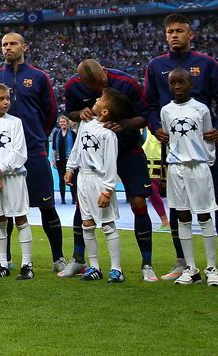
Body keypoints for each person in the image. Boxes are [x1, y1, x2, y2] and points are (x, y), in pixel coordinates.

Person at [144, 13, 218, 282]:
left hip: (203, 148)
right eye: (170, 31)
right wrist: (155, 127)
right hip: (173, 151)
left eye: (179, 31)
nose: (174, 35)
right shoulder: (156, 66)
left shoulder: (207, 64)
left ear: (190, 35)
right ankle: (183, 262)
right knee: (177, 206)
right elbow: (149, 105)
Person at [62, 58, 156, 282]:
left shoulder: (127, 83)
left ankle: (147, 263)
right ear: (82, 81)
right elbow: (70, 114)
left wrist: (124, 124)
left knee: (138, 202)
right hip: (92, 158)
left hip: (127, 149)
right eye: (92, 88)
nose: (98, 91)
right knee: (83, 207)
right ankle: (79, 260)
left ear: (104, 71)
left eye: (101, 85)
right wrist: (80, 114)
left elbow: (145, 117)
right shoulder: (72, 86)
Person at [0, 33, 65, 273]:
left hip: (33, 151)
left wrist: (38, 136)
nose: (8, 48)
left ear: (24, 47)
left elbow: (50, 112)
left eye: (12, 44)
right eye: (4, 45)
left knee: (46, 206)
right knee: (5, 210)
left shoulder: (39, 77)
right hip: (2, 156)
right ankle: (4, 259)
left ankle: (58, 257)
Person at [160, 68, 218, 287]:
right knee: (183, 216)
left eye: (181, 82)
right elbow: (168, 139)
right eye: (172, 83)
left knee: (204, 216)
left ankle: (212, 268)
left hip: (198, 167)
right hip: (176, 168)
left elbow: (208, 137)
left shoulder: (201, 108)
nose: (176, 87)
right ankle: (191, 268)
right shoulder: (166, 110)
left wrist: (207, 162)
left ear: (190, 84)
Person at [66, 87, 130, 283]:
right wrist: (70, 168)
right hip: (83, 179)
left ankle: (116, 269)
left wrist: (108, 190)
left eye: (101, 98)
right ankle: (94, 267)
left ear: (105, 112)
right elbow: (77, 148)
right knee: (87, 224)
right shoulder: (85, 124)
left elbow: (111, 163)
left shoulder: (108, 134)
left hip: (100, 180)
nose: (96, 98)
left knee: (108, 224)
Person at [0, 82, 32, 280]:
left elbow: (19, 152)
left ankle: (27, 264)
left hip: (14, 177)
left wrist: (0, 170)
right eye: (1, 99)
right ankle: (2, 263)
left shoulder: (15, 122)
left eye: (8, 99)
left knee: (20, 218)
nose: (6, 102)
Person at [51, 117, 74, 206]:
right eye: (61, 122)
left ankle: (73, 199)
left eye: (64, 121)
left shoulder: (72, 134)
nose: (62, 123)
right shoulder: (56, 134)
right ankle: (63, 199)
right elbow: (54, 148)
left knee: (72, 179)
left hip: (70, 160)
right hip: (59, 160)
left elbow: (75, 148)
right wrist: (53, 160)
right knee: (61, 179)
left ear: (67, 122)